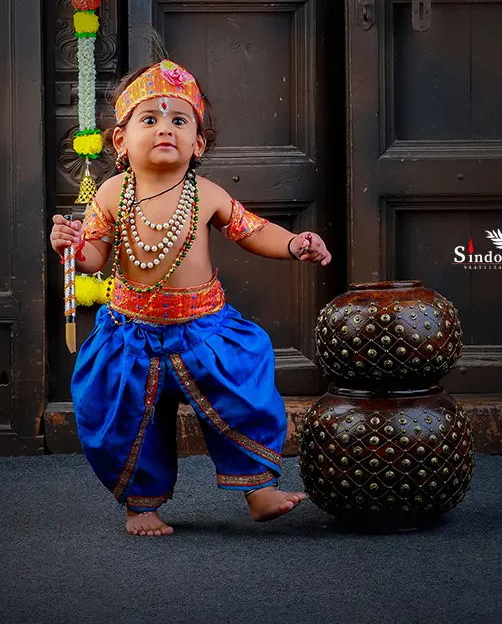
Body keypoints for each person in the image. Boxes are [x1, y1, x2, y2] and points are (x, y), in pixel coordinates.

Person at [50, 59, 331, 537]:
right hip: (130, 334)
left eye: (179, 120)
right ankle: (141, 505)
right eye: (150, 119)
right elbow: (95, 257)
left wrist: (292, 243)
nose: (166, 129)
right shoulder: (112, 194)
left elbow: (252, 230)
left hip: (204, 329)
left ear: (197, 144)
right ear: (120, 141)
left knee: (244, 396)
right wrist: (73, 247)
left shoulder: (207, 194)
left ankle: (259, 490)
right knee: (124, 418)